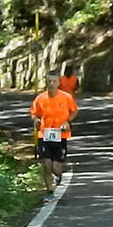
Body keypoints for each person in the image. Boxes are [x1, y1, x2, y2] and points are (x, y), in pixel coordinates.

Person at [30, 70, 79, 202]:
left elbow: (74, 111)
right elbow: (34, 113)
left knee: (56, 168)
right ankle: (50, 191)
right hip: (44, 135)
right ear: (46, 82)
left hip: (60, 136)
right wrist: (35, 120)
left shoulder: (66, 97)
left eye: (54, 81)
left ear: (59, 83)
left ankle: (58, 175)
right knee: (46, 164)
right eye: (49, 81)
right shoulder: (40, 98)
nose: (51, 84)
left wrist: (67, 121)